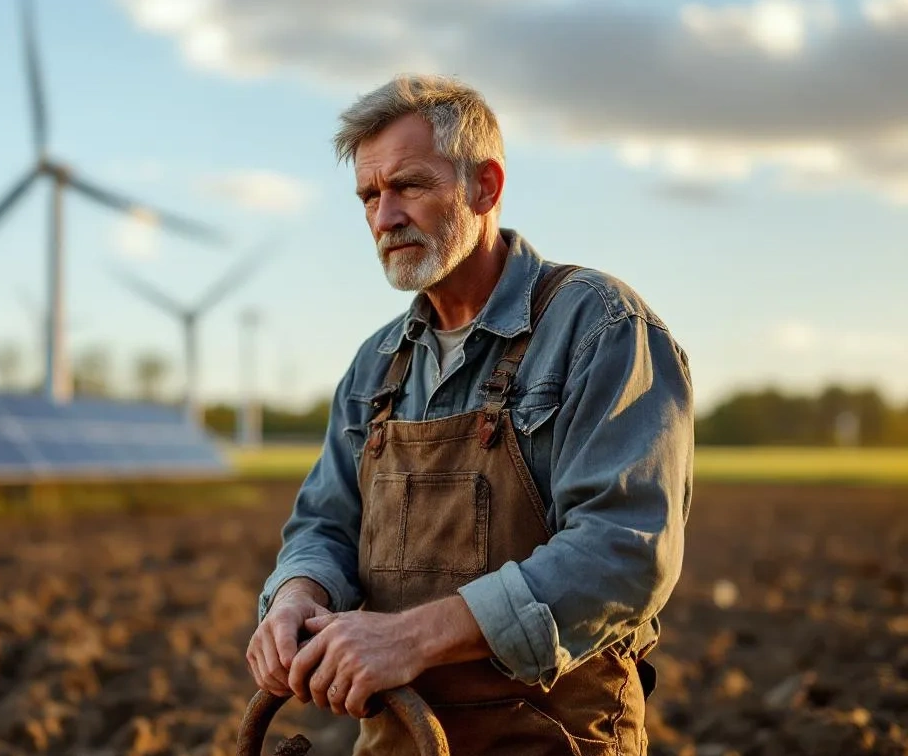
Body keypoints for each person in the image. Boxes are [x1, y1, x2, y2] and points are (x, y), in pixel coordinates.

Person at [245, 74, 694, 755]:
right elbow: (324, 524)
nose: (384, 216)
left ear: (484, 187)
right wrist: (295, 596)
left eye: (409, 185)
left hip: (554, 739)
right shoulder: (377, 365)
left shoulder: (599, 328)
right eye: (369, 195)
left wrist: (412, 638)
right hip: (401, 738)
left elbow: (623, 552)